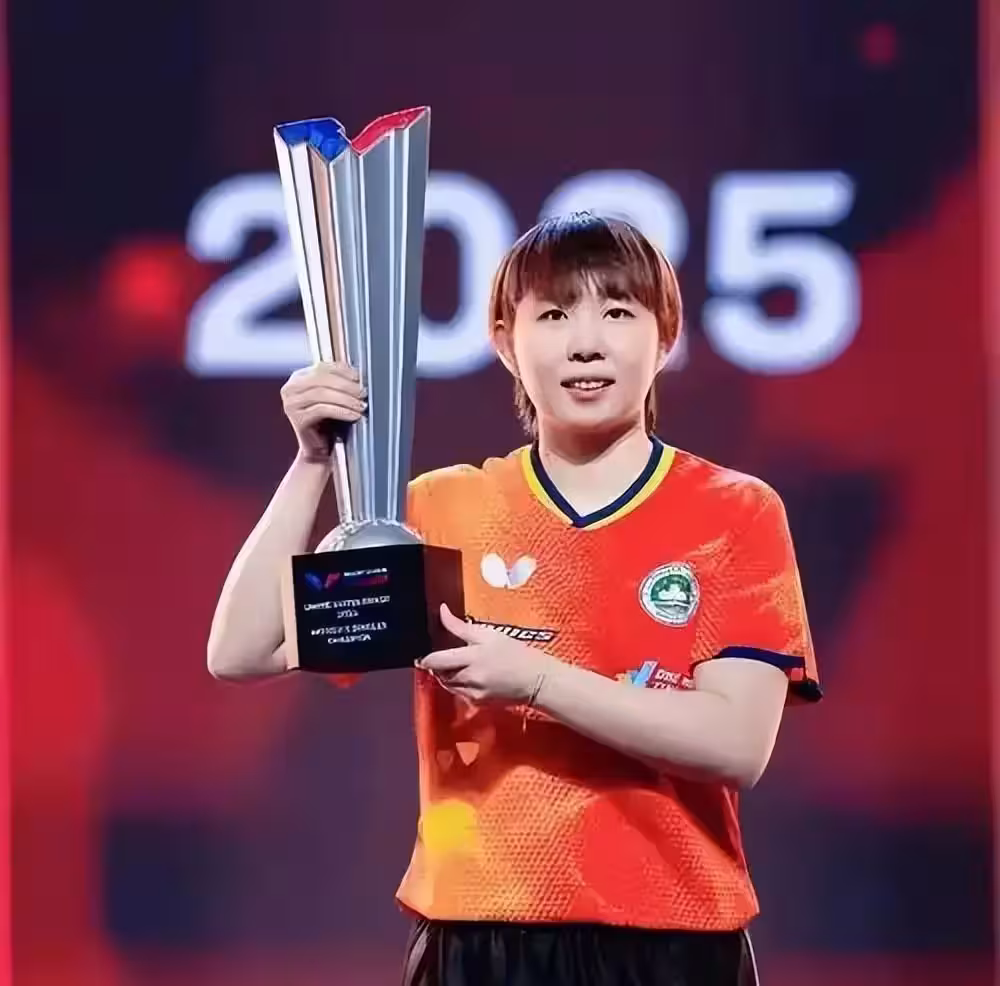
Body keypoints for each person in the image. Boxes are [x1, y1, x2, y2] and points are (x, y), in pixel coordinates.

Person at [207, 212, 821, 986]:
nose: (586, 343)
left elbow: (735, 744)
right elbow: (243, 650)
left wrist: (535, 680)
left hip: (675, 937)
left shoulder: (734, 511)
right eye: (555, 315)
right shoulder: (440, 510)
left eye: (618, 313)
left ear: (665, 336)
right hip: (479, 935)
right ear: (505, 340)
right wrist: (311, 462)